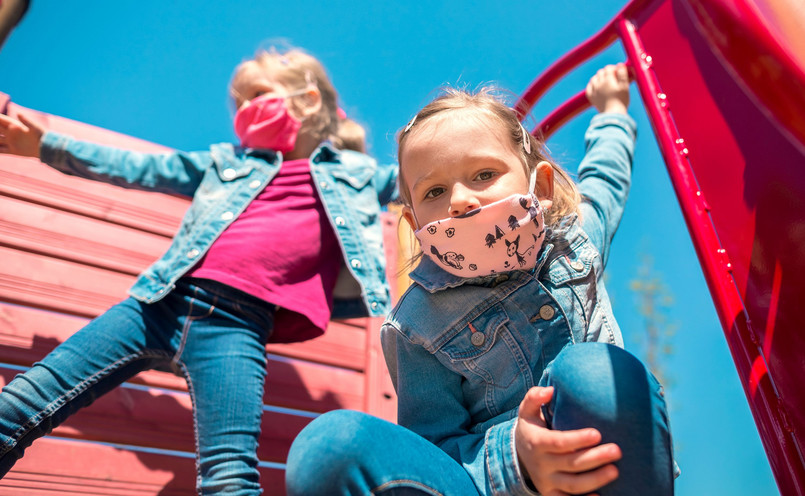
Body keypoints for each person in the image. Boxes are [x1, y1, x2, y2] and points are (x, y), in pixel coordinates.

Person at [0, 47, 397, 495]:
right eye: (240, 103)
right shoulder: (226, 161)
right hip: (159, 303)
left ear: (305, 102)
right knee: (23, 400)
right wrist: (45, 146)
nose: (246, 110)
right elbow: (142, 168)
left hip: (238, 328)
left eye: (257, 95)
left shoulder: (358, 175)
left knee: (229, 474)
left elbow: (420, 180)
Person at [286, 63, 677, 495]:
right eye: (435, 192)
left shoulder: (575, 237)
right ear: (414, 222)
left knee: (593, 373)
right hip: (487, 484)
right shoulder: (417, 324)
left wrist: (613, 111)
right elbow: (434, 447)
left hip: (601, 461)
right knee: (328, 446)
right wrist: (517, 461)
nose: (460, 200)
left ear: (541, 187)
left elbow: (606, 177)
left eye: (484, 175)